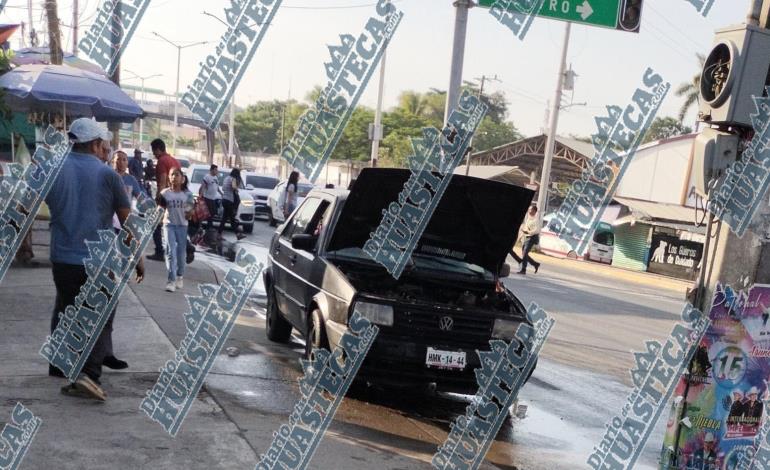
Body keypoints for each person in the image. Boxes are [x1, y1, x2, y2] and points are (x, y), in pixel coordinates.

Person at [45, 118, 144, 401]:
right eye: (105, 145)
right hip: (96, 260)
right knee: (99, 315)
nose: (107, 151)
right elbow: (126, 223)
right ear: (96, 144)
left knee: (65, 306)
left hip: (61, 258)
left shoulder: (54, 169)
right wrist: (137, 258)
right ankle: (88, 375)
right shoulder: (108, 175)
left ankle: (59, 364)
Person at [157, 167, 194, 292]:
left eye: (177, 175)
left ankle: (179, 275)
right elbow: (160, 209)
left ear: (182, 178)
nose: (174, 177)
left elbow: (190, 212)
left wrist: (190, 212)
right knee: (170, 252)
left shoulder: (187, 194)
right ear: (169, 177)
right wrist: (157, 215)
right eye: (172, 175)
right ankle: (171, 281)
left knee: (181, 254)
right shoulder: (164, 193)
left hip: (182, 226)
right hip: (169, 225)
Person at [147, 139, 180, 261]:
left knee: (155, 225)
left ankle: (159, 252)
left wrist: (158, 199)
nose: (154, 154)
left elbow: (162, 181)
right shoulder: (174, 161)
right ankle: (186, 246)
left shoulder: (162, 161)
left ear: (158, 149)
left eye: (154, 151)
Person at [512, 204, 541, 275]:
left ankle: (523, 270)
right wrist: (520, 237)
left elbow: (537, 230)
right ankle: (535, 264)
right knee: (524, 253)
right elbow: (525, 228)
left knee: (524, 253)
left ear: (534, 211)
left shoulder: (536, 220)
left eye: (531, 210)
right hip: (527, 237)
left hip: (532, 237)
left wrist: (528, 232)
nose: (529, 211)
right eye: (529, 210)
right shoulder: (528, 218)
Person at [219, 168, 244, 237]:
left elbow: (223, 188)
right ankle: (238, 234)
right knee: (232, 219)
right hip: (229, 200)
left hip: (224, 199)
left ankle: (219, 234)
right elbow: (233, 186)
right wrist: (236, 189)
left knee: (225, 218)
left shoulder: (226, 178)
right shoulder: (233, 179)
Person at [200, 164, 221, 231]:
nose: (217, 171)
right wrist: (201, 194)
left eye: (217, 170)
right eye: (215, 170)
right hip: (207, 197)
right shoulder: (207, 177)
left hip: (213, 198)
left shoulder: (215, 178)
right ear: (212, 170)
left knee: (213, 212)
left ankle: (209, 225)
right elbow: (203, 186)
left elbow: (217, 187)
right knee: (209, 212)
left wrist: (221, 193)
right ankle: (207, 226)